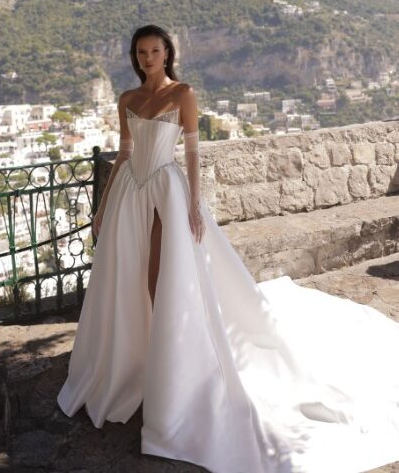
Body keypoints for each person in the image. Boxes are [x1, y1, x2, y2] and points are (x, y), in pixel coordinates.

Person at [57, 24, 399, 473]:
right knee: (129, 277)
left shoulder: (183, 94)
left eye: (154, 51)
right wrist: (101, 209)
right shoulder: (126, 99)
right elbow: (123, 153)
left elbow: (194, 153)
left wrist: (194, 205)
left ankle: (170, 376)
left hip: (165, 191)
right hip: (128, 193)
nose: (147, 58)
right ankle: (130, 364)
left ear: (167, 53)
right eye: (141, 52)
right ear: (135, 55)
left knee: (161, 280)